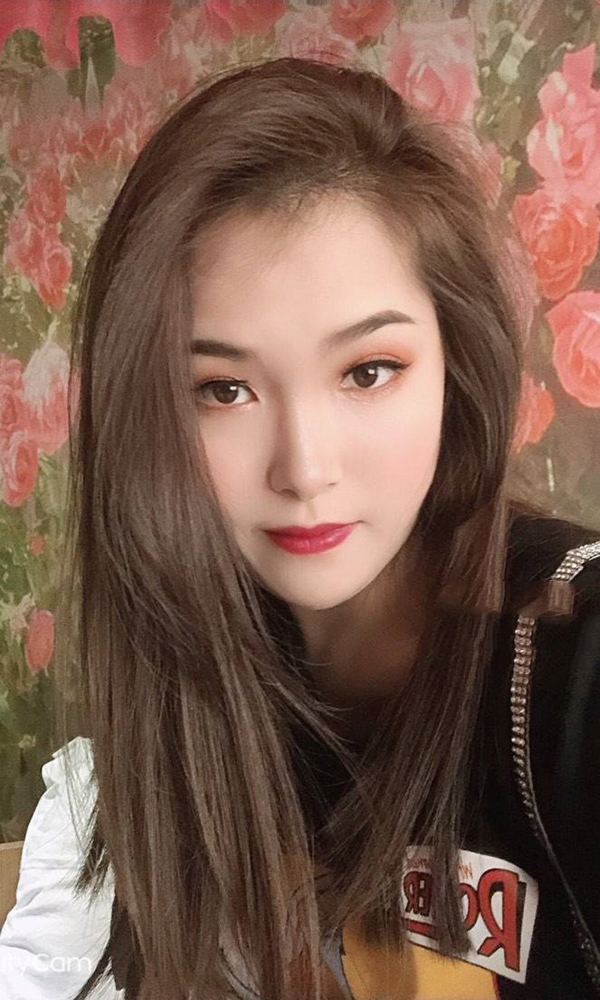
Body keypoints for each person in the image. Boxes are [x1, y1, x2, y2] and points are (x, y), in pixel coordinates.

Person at [0, 55, 599, 1000]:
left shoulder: (571, 665)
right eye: (222, 389)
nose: (305, 468)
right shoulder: (190, 687)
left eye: (368, 371)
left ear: (459, 366)